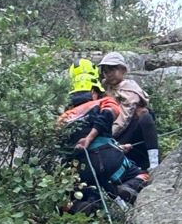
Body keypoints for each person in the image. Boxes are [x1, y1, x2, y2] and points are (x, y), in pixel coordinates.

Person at [57, 59, 149, 211]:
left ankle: (88, 203)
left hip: (80, 168)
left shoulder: (63, 118)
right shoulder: (104, 102)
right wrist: (90, 137)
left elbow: (59, 142)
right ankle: (127, 187)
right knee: (142, 175)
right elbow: (108, 116)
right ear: (93, 91)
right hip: (108, 158)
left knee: (82, 191)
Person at [116, 103, 160, 172]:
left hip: (144, 159)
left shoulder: (144, 118)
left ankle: (154, 163)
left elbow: (148, 116)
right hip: (124, 161)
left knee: (146, 118)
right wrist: (118, 147)